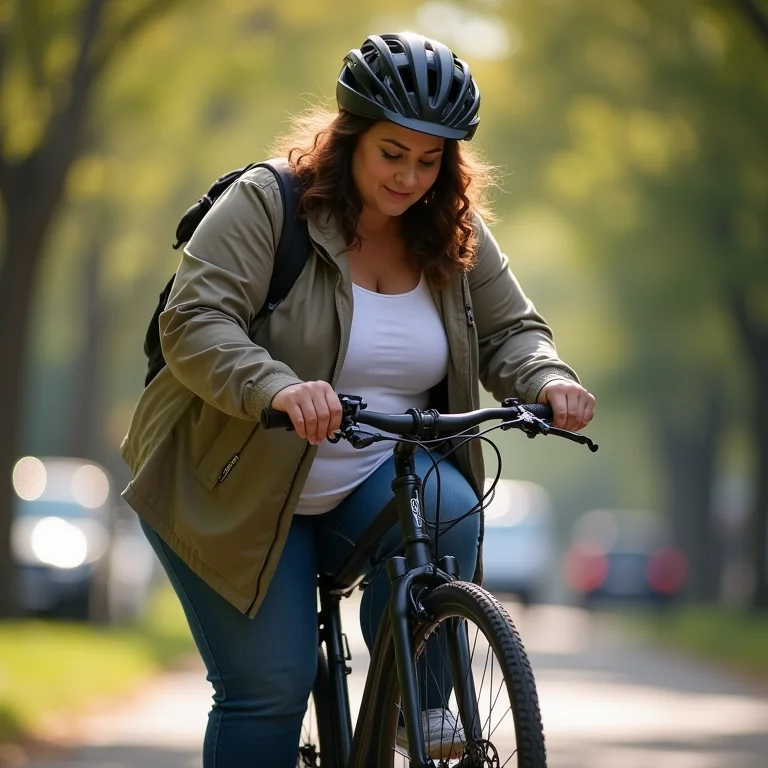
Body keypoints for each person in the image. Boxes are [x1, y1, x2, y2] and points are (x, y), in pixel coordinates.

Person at [121, 31, 595, 768]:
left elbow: (513, 331)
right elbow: (195, 319)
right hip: (231, 485)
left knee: (450, 503)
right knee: (270, 687)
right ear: (350, 139)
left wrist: (546, 377)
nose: (410, 177)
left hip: (369, 485)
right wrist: (277, 386)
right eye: (392, 153)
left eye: (430, 160)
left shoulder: (452, 232)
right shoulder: (267, 203)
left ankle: (418, 703)